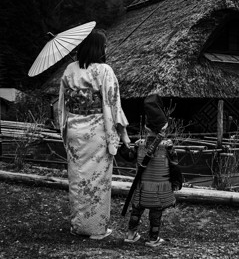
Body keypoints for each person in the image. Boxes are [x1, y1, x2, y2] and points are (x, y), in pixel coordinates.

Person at [58, 29, 131, 240]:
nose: (106, 49)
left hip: (74, 130)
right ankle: (95, 229)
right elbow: (113, 105)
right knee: (97, 182)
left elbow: (63, 101)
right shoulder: (105, 71)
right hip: (96, 132)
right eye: (105, 46)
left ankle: (78, 225)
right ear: (99, 48)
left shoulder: (69, 69)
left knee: (77, 179)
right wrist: (123, 135)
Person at [124, 95, 180, 247]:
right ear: (164, 127)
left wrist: (122, 144)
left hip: (141, 186)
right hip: (159, 186)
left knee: (136, 210)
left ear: (146, 128)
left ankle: (130, 234)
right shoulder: (168, 146)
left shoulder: (139, 144)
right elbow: (174, 166)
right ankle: (153, 239)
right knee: (156, 212)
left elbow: (128, 157)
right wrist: (176, 182)